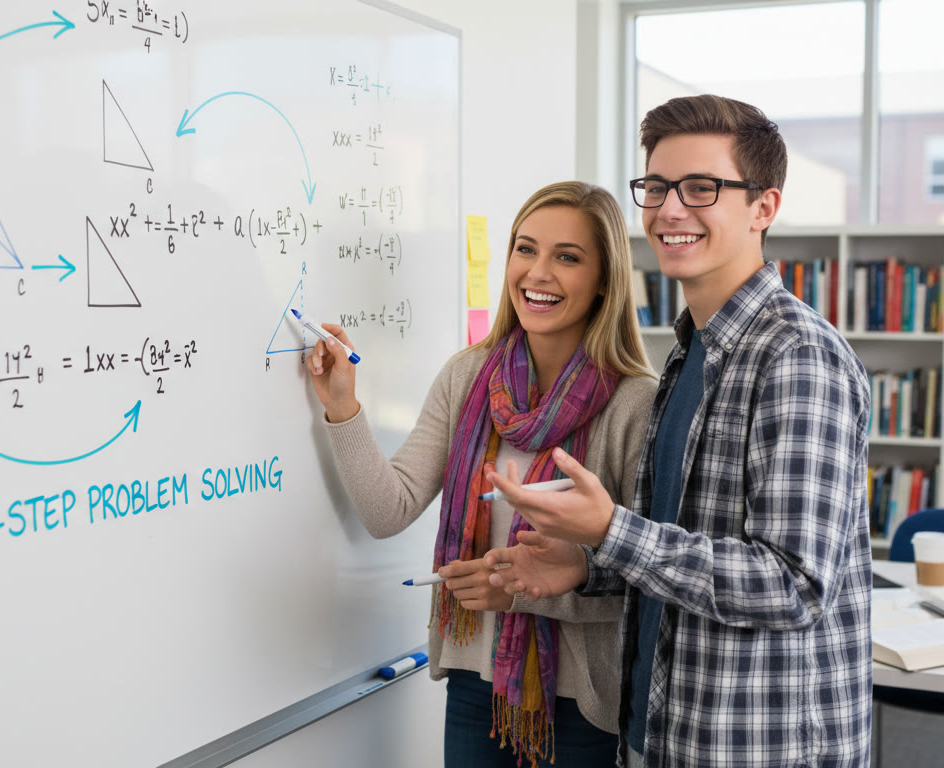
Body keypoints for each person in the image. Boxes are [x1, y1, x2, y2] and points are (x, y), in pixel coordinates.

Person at [483, 95, 874, 768]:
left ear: (763, 207)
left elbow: (792, 584)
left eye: (702, 188)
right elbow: (682, 538)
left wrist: (610, 531)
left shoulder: (797, 357)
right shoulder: (690, 350)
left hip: (755, 746)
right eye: (657, 186)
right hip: (663, 732)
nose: (669, 209)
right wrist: (587, 562)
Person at [306, 181, 657, 766]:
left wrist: (519, 594)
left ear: (604, 279)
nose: (537, 273)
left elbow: (648, 578)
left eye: (567, 257)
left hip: (584, 703)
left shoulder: (636, 403)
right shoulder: (467, 376)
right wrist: (342, 404)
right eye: (525, 249)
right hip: (476, 684)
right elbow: (387, 509)